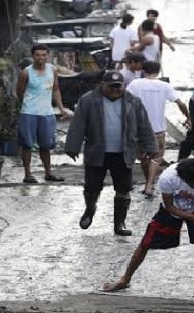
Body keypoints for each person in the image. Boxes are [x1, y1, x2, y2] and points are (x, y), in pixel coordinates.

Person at [102, 158, 194, 297]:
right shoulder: (168, 177)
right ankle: (125, 280)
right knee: (146, 243)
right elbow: (169, 207)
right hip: (173, 209)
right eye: (191, 183)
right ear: (181, 178)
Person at [64, 71, 156, 236]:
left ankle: (119, 223)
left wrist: (150, 146)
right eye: (111, 86)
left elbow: (144, 125)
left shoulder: (133, 101)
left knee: (123, 188)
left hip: (123, 152)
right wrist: (72, 146)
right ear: (102, 85)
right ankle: (90, 209)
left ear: (123, 86)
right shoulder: (88, 100)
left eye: (118, 86)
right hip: (97, 151)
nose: (115, 89)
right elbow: (78, 124)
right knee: (92, 187)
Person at [126, 61, 191, 198]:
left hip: (139, 128)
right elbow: (180, 103)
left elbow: (125, 102)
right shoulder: (165, 86)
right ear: (158, 70)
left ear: (143, 70)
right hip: (158, 129)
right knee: (157, 157)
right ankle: (150, 185)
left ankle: (148, 183)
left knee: (144, 157)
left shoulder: (135, 84)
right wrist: (188, 117)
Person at [15, 44, 69, 184]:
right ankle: (27, 174)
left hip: (47, 113)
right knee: (27, 144)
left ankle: (48, 173)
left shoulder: (53, 70)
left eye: (44, 55)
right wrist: (26, 105)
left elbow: (55, 89)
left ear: (48, 56)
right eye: (38, 55)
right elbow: (19, 92)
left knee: (46, 144)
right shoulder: (25, 73)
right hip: (29, 112)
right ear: (33, 56)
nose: (41, 58)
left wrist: (61, 108)